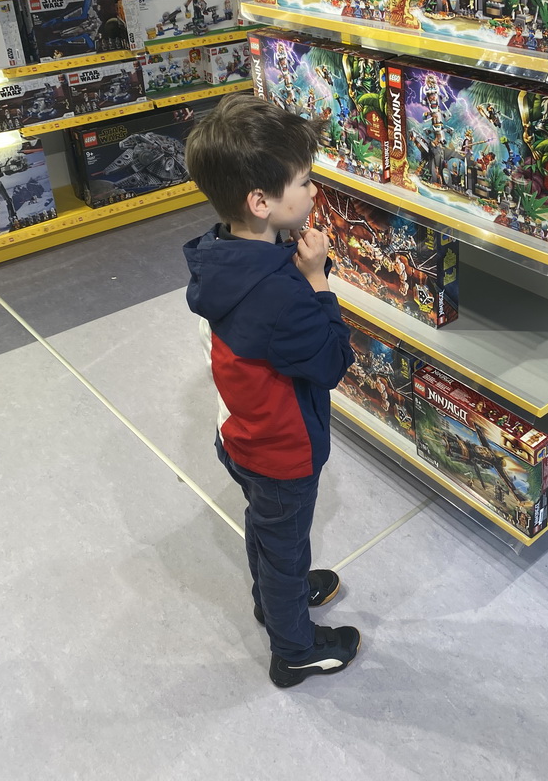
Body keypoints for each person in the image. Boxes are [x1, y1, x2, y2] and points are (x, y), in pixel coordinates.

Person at [183, 94, 359, 688]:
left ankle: (271, 597)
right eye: (305, 182)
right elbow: (332, 361)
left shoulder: (219, 254)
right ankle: (294, 649)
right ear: (261, 201)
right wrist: (317, 281)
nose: (312, 192)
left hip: (239, 436)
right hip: (282, 454)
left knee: (264, 526)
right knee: (284, 544)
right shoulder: (283, 297)